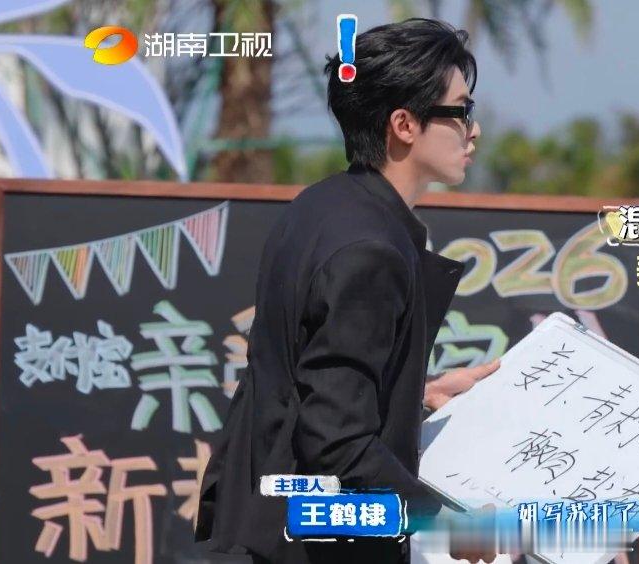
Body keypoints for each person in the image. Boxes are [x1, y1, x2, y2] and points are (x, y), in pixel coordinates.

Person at [195, 18, 498, 564]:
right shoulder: (371, 249)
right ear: (404, 124)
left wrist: (418, 394)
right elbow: (337, 441)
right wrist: (446, 523)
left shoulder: (321, 205)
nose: (472, 130)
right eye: (461, 111)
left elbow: (312, 389)